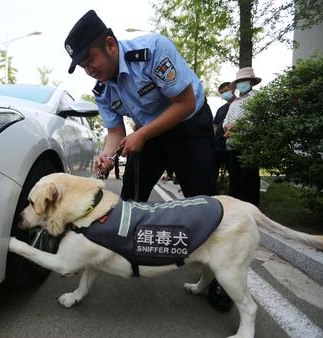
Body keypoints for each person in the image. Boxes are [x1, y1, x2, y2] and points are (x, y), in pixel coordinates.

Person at [64, 10, 232, 312]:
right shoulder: (102, 90)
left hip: (188, 123)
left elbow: (185, 103)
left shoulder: (153, 51)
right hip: (150, 133)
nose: (89, 70)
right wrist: (106, 154)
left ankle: (220, 276)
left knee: (203, 200)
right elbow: (115, 131)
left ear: (111, 45)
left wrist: (142, 135)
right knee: (129, 199)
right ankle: (128, 253)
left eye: (91, 60)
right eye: (83, 66)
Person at [223, 67, 261, 206]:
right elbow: (225, 120)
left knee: (249, 178)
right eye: (239, 81)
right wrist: (227, 126)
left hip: (249, 144)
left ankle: (250, 207)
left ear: (251, 82)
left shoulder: (257, 98)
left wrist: (238, 127)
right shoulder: (235, 102)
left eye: (245, 81)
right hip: (232, 144)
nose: (242, 84)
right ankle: (236, 206)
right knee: (235, 177)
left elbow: (257, 120)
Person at [213, 82, 236, 183]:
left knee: (234, 174)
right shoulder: (221, 109)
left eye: (225, 91)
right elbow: (215, 125)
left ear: (233, 89)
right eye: (221, 93)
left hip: (231, 146)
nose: (224, 94)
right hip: (218, 146)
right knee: (212, 172)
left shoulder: (238, 105)